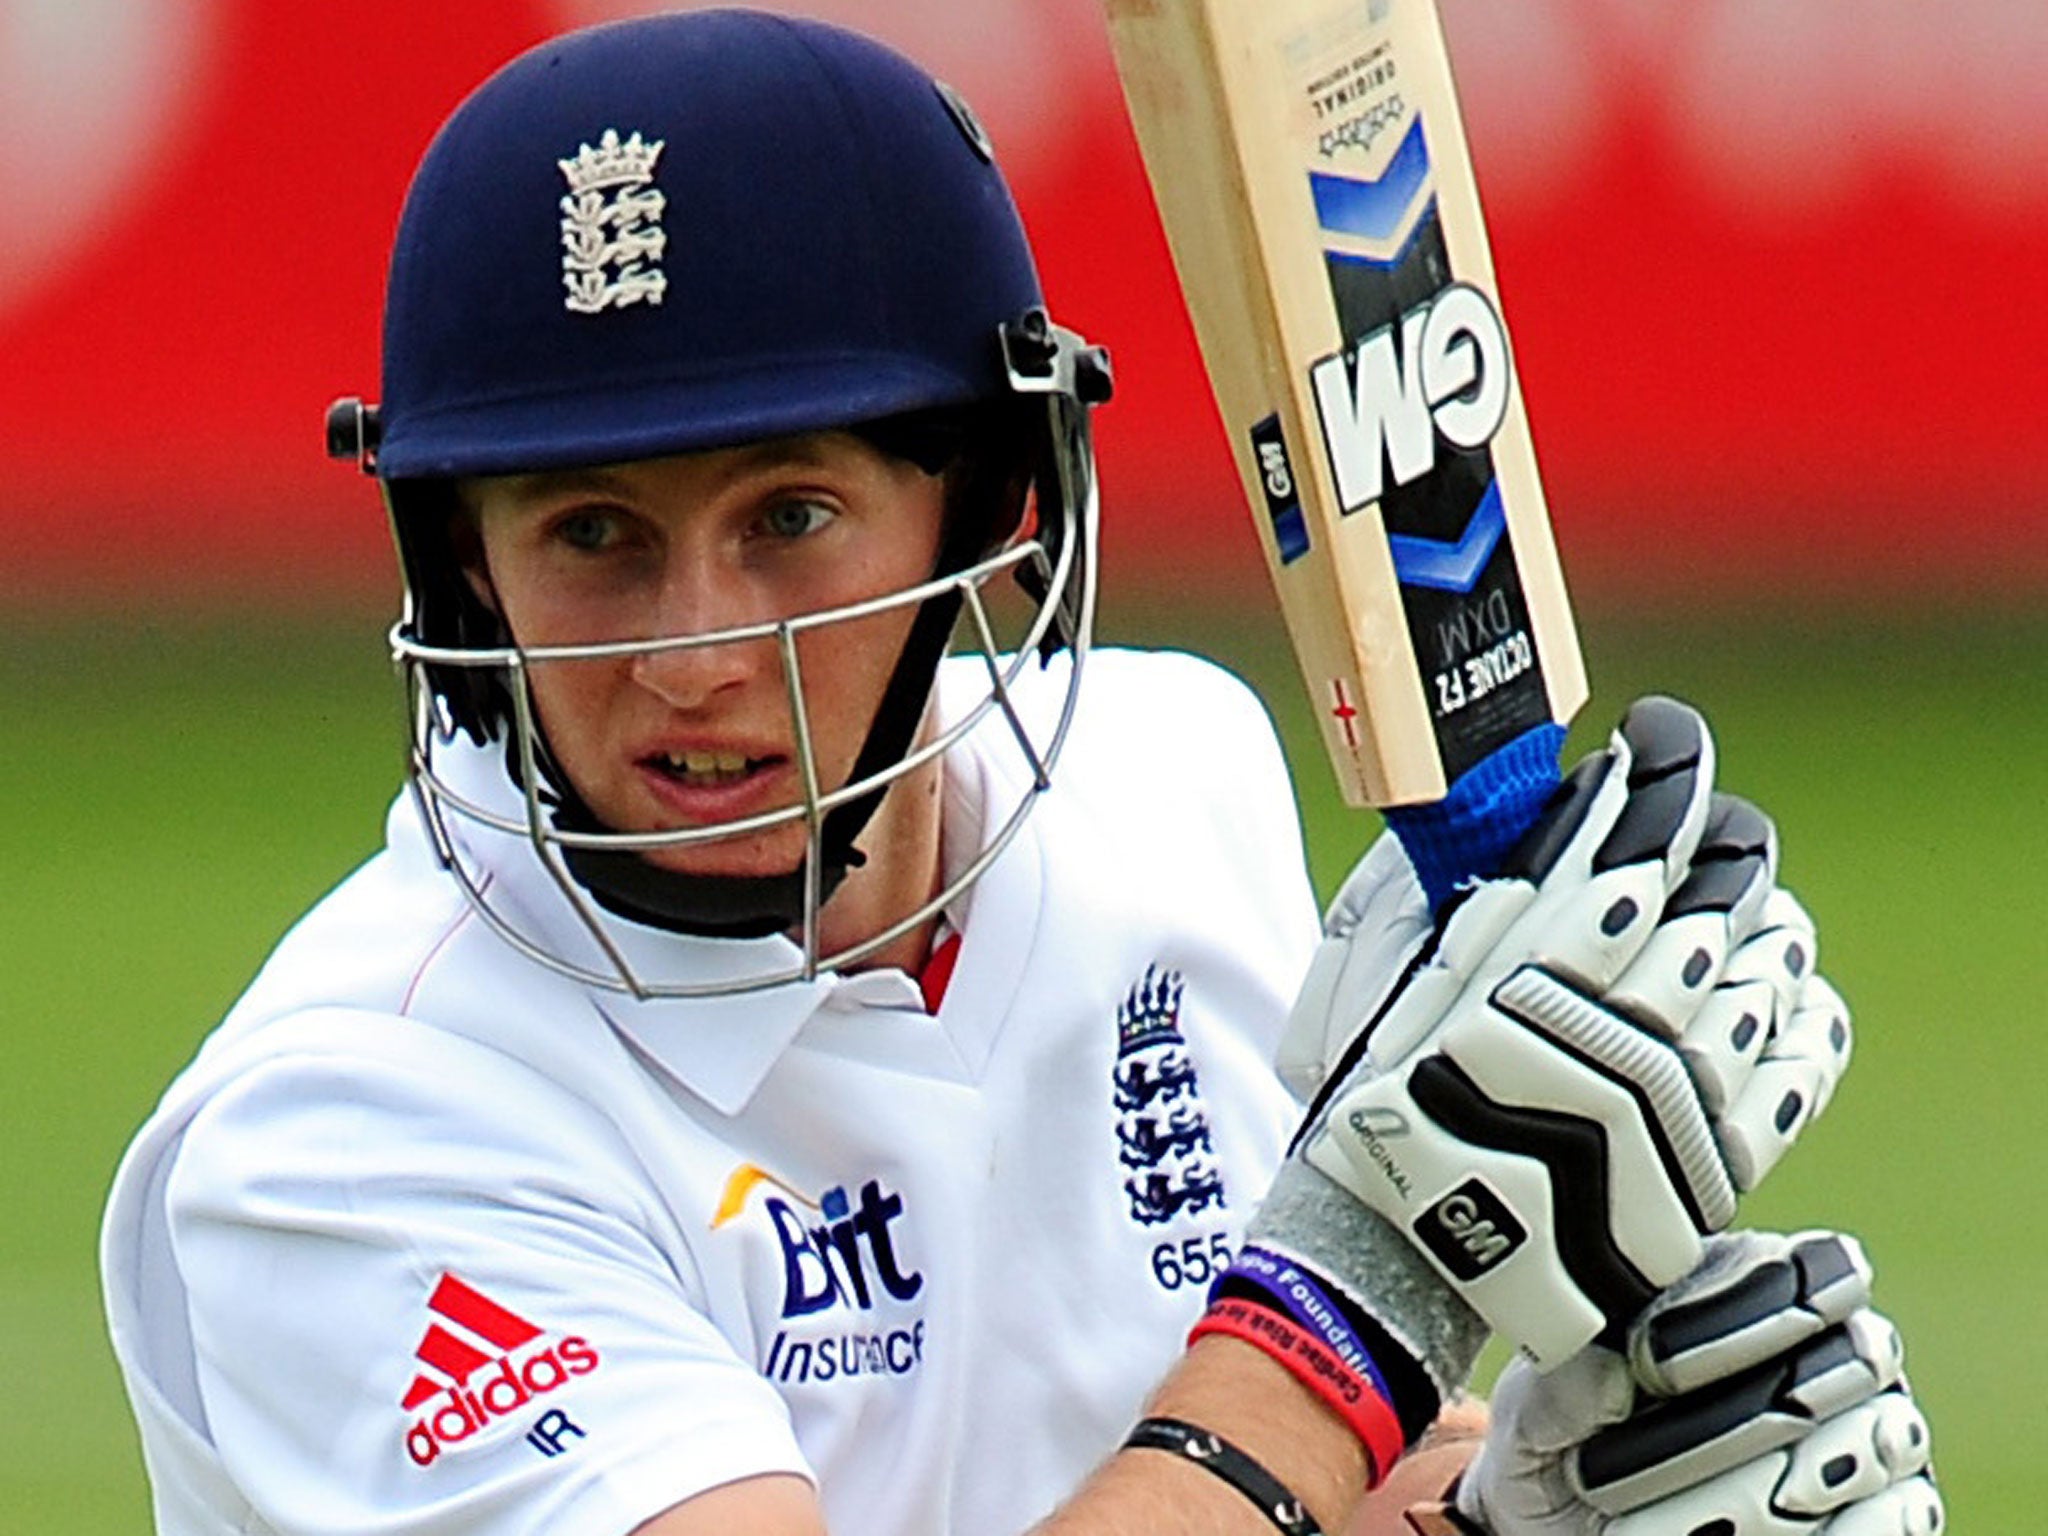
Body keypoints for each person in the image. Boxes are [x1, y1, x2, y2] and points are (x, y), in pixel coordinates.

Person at [101, 12, 1941, 1536]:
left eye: (794, 517)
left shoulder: (1167, 788)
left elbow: (1224, 1456)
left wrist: (1508, 1505)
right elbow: (1293, 1378)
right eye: (592, 532)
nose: (692, 654)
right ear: (462, 573)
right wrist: (1365, 1298)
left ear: (997, 518)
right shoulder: (350, 1130)